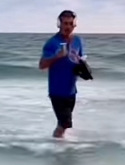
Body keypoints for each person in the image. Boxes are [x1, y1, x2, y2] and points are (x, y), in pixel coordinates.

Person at [39, 10, 86, 138]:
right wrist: (57, 56)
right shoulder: (52, 43)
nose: (68, 27)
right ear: (59, 24)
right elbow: (42, 65)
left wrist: (83, 68)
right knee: (64, 124)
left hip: (71, 91)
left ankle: (57, 148)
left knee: (62, 124)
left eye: (71, 24)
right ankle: (59, 151)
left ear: (74, 25)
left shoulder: (78, 41)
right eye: (65, 23)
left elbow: (81, 58)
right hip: (57, 91)